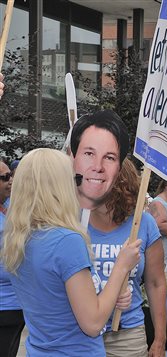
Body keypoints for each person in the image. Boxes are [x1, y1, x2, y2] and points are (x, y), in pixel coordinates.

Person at [1, 148, 140, 356]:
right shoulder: (66, 241)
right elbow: (92, 324)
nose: (80, 185)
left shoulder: (19, 237)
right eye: (75, 178)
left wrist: (110, 296)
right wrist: (121, 267)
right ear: (59, 186)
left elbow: (56, 302)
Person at [88, 158, 167, 357]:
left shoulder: (143, 223)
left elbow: (156, 283)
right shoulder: (76, 220)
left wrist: (159, 338)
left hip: (127, 334)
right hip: (80, 333)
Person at [70, 110, 130, 210]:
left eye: (109, 158)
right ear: (73, 157)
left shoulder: (141, 224)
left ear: (119, 167)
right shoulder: (46, 219)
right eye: (89, 154)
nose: (98, 167)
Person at [0, 159, 24, 357]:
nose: (11, 181)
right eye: (5, 178)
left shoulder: (11, 206)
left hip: (18, 305)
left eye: (11, 176)